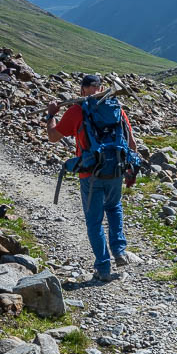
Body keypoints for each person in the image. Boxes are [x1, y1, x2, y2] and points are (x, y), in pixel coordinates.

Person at [46, 74, 137, 282]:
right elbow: (131, 143)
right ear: (102, 87)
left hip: (90, 174)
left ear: (82, 89)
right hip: (116, 171)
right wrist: (130, 170)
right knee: (114, 208)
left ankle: (103, 269)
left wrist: (51, 115)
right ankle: (120, 251)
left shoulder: (77, 110)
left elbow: (53, 137)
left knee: (94, 222)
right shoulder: (116, 108)